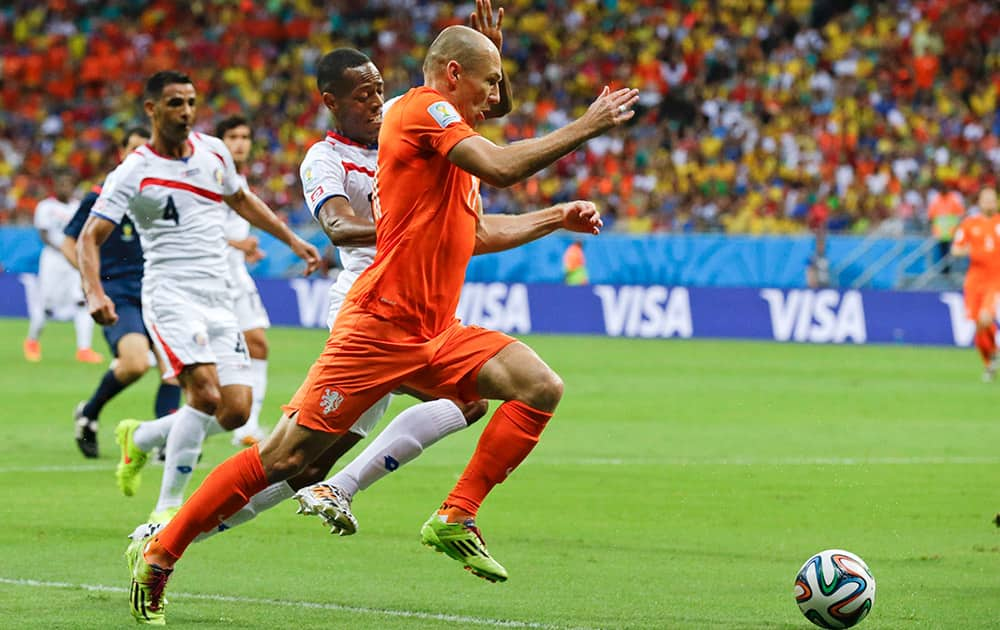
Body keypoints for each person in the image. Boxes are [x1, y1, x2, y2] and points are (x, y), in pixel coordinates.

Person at [125, 18, 636, 625]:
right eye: (489, 83)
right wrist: (588, 124)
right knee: (287, 459)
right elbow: (499, 166)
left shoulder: (450, 150)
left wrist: (552, 217)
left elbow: (476, 229)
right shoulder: (418, 113)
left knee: (539, 385)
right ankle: (162, 551)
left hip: (434, 327)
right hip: (377, 323)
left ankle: (455, 516)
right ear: (452, 76)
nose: (496, 98)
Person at [77, 71, 320, 527]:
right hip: (170, 294)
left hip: (218, 297)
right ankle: (167, 508)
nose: (185, 111)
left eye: (190, 101)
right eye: (174, 103)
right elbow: (91, 235)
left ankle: (143, 437)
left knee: (235, 411)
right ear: (152, 110)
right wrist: (95, 291)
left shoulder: (213, 152)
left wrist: (292, 239)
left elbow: (243, 201)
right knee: (204, 394)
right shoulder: (135, 169)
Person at [62, 127, 182, 458]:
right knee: (134, 363)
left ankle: (163, 440)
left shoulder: (162, 196)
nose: (142, 156)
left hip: (158, 290)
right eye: (134, 149)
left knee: (175, 368)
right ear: (121, 153)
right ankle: (90, 411)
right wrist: (92, 282)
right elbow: (70, 242)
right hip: (118, 291)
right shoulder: (101, 195)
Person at [216, 115, 271, 446]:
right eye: (233, 136)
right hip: (209, 280)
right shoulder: (211, 177)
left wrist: (244, 249)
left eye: (245, 136)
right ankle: (165, 429)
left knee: (258, 344)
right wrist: (238, 243)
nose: (240, 143)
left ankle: (247, 427)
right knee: (208, 363)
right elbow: (195, 228)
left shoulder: (240, 181)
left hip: (235, 274)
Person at [24, 167, 103, 364]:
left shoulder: (78, 206)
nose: (64, 187)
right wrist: (63, 249)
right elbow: (43, 235)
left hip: (73, 259)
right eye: (61, 184)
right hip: (52, 259)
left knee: (81, 301)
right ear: (55, 186)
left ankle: (84, 349)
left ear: (73, 186)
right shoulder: (46, 207)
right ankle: (32, 341)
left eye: (68, 184)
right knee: (47, 305)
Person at [950, 187, 1000, 381]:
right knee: (979, 326)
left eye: (992, 200)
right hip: (974, 281)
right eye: (985, 200)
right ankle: (990, 363)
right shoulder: (969, 224)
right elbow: (956, 249)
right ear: (979, 202)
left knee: (985, 317)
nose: (988, 203)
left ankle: (994, 354)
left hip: (995, 280)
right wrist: (968, 249)